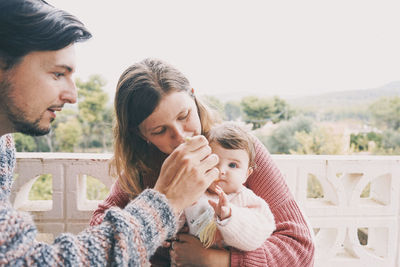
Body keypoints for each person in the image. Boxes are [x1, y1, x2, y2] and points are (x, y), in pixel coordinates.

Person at [0, 1, 219, 266]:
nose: (73, 96)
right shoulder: (141, 168)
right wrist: (166, 203)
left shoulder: (4, 144)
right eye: (58, 74)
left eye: (184, 116)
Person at [90, 58, 315, 266]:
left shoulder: (237, 151)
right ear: (140, 135)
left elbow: (299, 246)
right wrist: (151, 220)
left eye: (184, 116)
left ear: (194, 98)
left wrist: (214, 259)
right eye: (159, 130)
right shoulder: (141, 166)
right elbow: (98, 230)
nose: (180, 137)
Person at [183, 121, 275, 252]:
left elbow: (259, 235)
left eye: (232, 165)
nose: (221, 170)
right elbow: (173, 219)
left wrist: (230, 216)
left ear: (246, 174)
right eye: (214, 162)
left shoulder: (248, 199)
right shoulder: (194, 193)